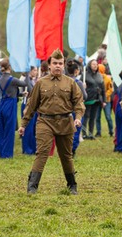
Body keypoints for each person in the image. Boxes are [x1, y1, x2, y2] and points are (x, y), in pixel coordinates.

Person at [19, 50, 84, 194]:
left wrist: (78, 118)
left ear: (64, 65)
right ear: (49, 65)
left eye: (60, 63)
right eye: (55, 63)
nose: (58, 66)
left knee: (66, 156)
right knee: (42, 153)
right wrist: (23, 125)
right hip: (45, 122)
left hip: (66, 122)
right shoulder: (41, 83)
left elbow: (79, 103)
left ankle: (72, 185)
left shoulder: (71, 83)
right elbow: (31, 106)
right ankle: (32, 186)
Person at [0, 59, 28, 159]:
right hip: (10, 105)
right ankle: (7, 154)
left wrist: (20, 94)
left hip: (2, 103)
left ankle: (2, 153)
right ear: (9, 67)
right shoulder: (13, 79)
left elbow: (9, 91)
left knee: (2, 129)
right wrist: (25, 73)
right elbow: (24, 84)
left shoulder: (0, 78)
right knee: (9, 130)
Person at [81, 59, 105, 139]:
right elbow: (79, 87)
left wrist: (104, 100)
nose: (95, 65)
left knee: (93, 117)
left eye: (96, 64)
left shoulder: (99, 75)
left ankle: (91, 133)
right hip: (88, 99)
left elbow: (103, 88)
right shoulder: (85, 75)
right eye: (93, 64)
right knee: (86, 116)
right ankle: (84, 134)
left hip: (97, 99)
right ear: (90, 65)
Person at [21, 65, 39, 155]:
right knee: (27, 128)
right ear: (30, 71)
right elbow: (32, 91)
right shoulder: (26, 80)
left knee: (32, 128)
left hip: (33, 106)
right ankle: (27, 149)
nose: (36, 72)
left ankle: (32, 147)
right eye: (35, 70)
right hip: (27, 105)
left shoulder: (32, 80)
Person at [99, 64, 114, 138]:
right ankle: (98, 132)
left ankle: (111, 131)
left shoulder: (108, 79)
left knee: (108, 116)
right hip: (98, 100)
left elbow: (110, 89)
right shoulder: (96, 78)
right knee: (97, 117)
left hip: (107, 100)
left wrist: (104, 95)